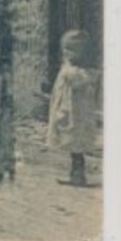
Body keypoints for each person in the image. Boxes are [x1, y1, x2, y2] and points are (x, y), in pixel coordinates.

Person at [48, 29, 100, 188]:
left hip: (76, 114)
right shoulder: (71, 68)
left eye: (70, 50)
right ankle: (75, 174)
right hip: (68, 111)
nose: (66, 53)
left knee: (76, 146)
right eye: (65, 49)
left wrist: (67, 71)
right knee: (72, 146)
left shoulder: (81, 72)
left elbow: (75, 81)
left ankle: (78, 176)